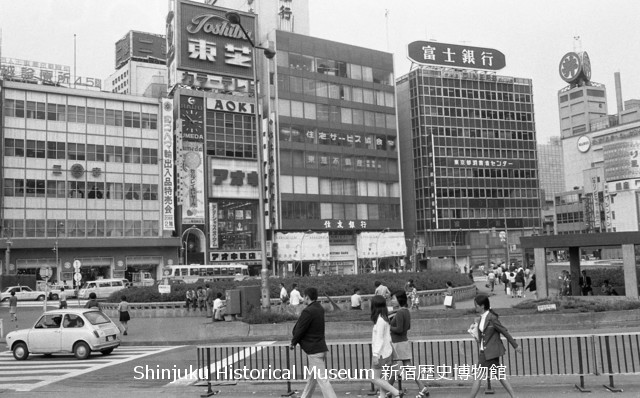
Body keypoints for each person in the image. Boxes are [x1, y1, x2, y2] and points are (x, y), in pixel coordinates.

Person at [468, 294, 521, 398]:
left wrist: (515, 346)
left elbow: (504, 331)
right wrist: (474, 332)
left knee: (478, 377)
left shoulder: (492, 318)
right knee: (500, 375)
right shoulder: (481, 318)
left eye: (476, 305)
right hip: (486, 352)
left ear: (482, 306)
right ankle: (514, 396)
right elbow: (481, 337)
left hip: (489, 353)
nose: (475, 307)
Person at [290, 287, 337, 398]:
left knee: (322, 379)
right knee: (312, 378)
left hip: (313, 350)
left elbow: (300, 328)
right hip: (320, 347)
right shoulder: (319, 308)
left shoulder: (308, 311)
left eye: (304, 296)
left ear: (307, 297)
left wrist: (293, 342)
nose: (303, 298)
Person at [388, 291, 430, 398]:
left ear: (399, 300)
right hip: (403, 341)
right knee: (407, 367)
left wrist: (388, 327)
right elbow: (407, 327)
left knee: (394, 368)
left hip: (397, 343)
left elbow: (399, 329)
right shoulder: (405, 311)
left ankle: (388, 390)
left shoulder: (400, 312)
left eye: (393, 299)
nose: (391, 301)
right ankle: (421, 386)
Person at [369, 295, 404, 398]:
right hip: (387, 352)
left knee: (374, 378)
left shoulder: (380, 320)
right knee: (382, 379)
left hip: (380, 354)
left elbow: (379, 339)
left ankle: (396, 392)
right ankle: (382, 396)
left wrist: (375, 354)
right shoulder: (384, 318)